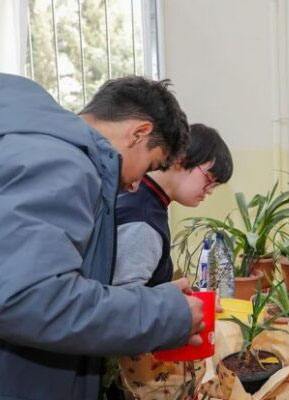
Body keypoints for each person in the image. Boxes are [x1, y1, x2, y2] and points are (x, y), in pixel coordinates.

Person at [0, 74, 205, 400]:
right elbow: (29, 298)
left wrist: (154, 298)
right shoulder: (62, 164)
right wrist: (165, 314)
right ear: (139, 133)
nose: (137, 184)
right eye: (149, 166)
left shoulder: (34, 147)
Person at [113, 123, 233, 287]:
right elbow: (127, 302)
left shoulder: (146, 197)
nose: (209, 191)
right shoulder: (142, 218)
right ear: (181, 158)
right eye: (209, 179)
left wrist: (171, 291)